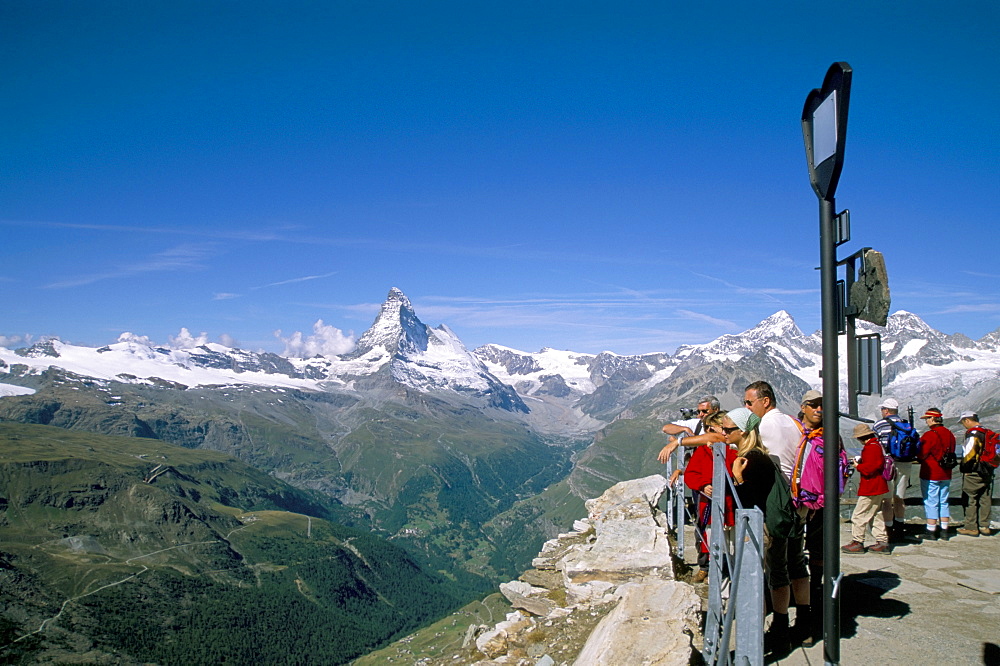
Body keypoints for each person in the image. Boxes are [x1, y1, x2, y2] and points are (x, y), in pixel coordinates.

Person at [727, 407, 806, 655]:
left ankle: (757, 640)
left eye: (728, 429)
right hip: (775, 522)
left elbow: (748, 500)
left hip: (763, 527)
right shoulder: (762, 455)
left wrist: (738, 478)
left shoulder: (751, 459)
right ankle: (781, 631)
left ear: (742, 432)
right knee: (778, 573)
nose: (723, 433)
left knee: (758, 579)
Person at [683, 410, 736, 583]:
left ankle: (729, 576)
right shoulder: (703, 452)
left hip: (731, 506)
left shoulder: (734, 449)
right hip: (709, 505)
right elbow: (690, 474)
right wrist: (703, 485)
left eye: (712, 429)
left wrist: (678, 443)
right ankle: (709, 570)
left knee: (731, 545)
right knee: (707, 538)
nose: (708, 434)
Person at [842, 423, 891, 554]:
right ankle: (882, 541)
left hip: (871, 487)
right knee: (876, 514)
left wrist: (859, 466)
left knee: (859, 515)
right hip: (879, 486)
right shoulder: (876, 446)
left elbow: (871, 468)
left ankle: (857, 541)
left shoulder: (871, 448)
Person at [744, 381, 802, 482]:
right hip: (798, 486)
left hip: (782, 486)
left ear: (766, 401)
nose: (746, 407)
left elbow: (743, 445)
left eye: (749, 403)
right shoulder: (792, 421)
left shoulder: (765, 425)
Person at [872, 398, 912, 543]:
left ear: (886, 410)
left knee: (887, 500)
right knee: (900, 498)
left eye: (882, 409)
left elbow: (875, 445)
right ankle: (900, 529)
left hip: (888, 464)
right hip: (905, 463)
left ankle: (888, 530)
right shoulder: (906, 424)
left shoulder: (880, 424)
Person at [917, 408, 956, 540]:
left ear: (933, 419)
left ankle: (931, 530)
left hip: (931, 473)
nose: (926, 421)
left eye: (927, 418)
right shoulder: (950, 434)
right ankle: (944, 529)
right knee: (943, 501)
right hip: (946, 473)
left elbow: (921, 454)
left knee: (931, 501)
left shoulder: (930, 435)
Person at [956, 411, 994, 537]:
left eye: (963, 422)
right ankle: (984, 526)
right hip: (987, 469)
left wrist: (965, 468)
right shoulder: (987, 432)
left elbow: (969, 453)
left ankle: (971, 527)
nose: (963, 425)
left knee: (969, 497)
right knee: (985, 498)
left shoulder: (973, 433)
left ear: (967, 420)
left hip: (974, 470)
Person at [657, 395, 721, 464]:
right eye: (699, 412)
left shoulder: (725, 424)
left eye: (705, 411)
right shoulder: (697, 423)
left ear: (716, 410)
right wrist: (684, 428)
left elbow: (712, 438)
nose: (701, 414)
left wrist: (678, 442)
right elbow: (666, 428)